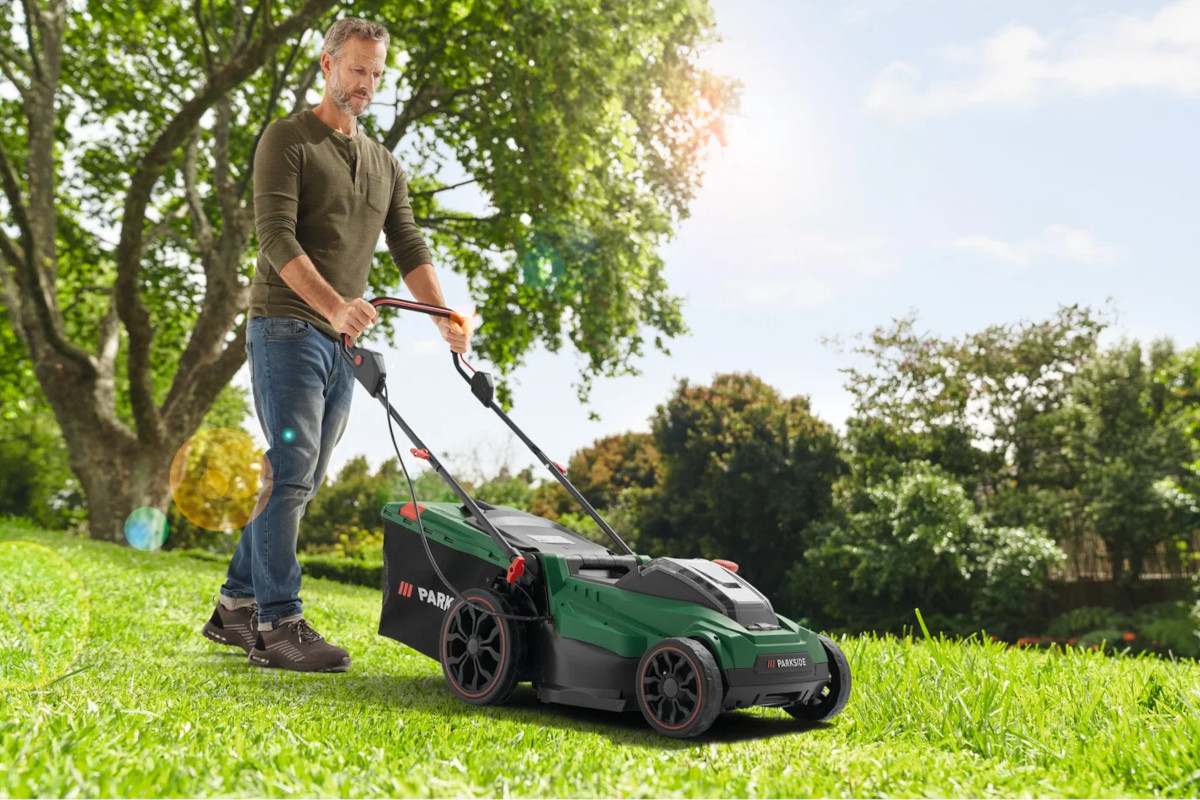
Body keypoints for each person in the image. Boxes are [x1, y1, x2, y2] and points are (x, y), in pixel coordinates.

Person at [201, 18, 473, 672]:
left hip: (338, 341)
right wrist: (336, 307)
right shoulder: (287, 139)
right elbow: (275, 237)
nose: (367, 84)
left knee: (304, 478)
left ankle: (235, 608)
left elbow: (408, 243)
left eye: (376, 74)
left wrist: (441, 315)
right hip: (284, 325)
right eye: (356, 70)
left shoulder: (383, 163)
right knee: (291, 473)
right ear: (326, 64)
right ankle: (278, 625)